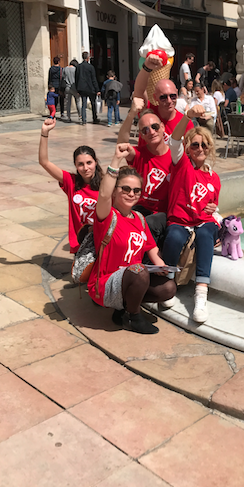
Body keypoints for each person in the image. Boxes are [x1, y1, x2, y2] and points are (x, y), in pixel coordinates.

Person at [88, 150, 176, 334]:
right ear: (115, 190)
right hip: (106, 283)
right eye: (125, 189)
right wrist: (115, 160)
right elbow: (103, 196)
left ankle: (122, 310)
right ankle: (134, 316)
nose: (131, 194)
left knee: (168, 288)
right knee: (140, 270)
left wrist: (161, 266)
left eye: (136, 190)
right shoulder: (107, 216)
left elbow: (151, 246)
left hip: (132, 278)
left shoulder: (139, 219)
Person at [163, 105, 221, 323]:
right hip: (180, 219)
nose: (200, 148)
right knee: (174, 237)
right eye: (195, 144)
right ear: (188, 148)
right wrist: (187, 117)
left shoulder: (213, 178)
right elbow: (174, 141)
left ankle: (201, 294)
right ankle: (168, 284)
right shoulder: (181, 164)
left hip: (202, 221)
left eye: (204, 145)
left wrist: (214, 208)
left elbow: (213, 204)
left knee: (207, 235)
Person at [38, 118, 103, 253]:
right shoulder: (71, 182)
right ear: (75, 165)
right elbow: (44, 162)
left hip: (102, 242)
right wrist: (44, 133)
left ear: (96, 162)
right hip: (80, 244)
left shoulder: (105, 184)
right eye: (80, 164)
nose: (85, 168)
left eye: (89, 162)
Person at [116, 101, 173, 246]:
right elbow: (121, 145)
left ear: (162, 127)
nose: (151, 132)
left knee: (148, 223)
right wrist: (131, 114)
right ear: (141, 134)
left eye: (154, 127)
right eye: (145, 130)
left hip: (163, 213)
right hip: (140, 208)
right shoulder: (140, 154)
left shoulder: (175, 157)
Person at [133, 53, 194, 141]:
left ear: (177, 94)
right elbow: (139, 90)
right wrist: (147, 67)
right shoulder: (149, 112)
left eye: (173, 96)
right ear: (155, 97)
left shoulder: (185, 122)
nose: (169, 101)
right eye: (163, 97)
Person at [75, 52, 101, 125]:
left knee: (84, 104)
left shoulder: (78, 67)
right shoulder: (90, 67)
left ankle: (84, 120)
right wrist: (97, 89)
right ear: (88, 58)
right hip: (90, 88)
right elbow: (93, 79)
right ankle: (94, 118)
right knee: (93, 103)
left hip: (82, 88)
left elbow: (76, 78)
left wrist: (77, 89)